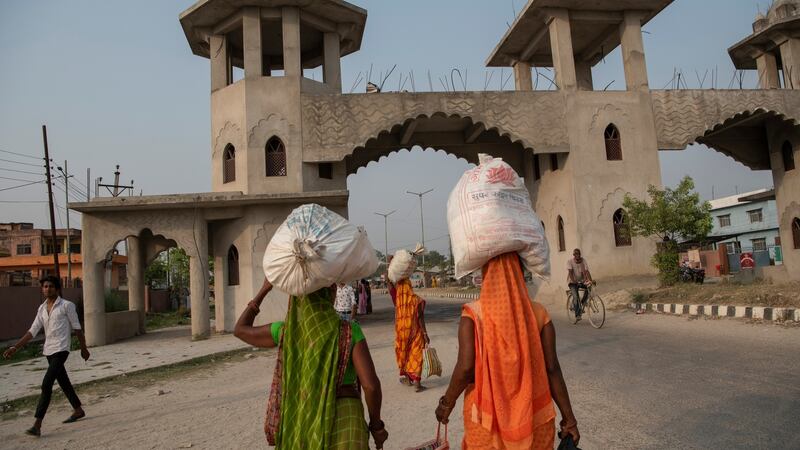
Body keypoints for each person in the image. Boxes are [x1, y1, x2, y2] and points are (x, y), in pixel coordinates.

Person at [435, 253, 580, 449]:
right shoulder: (539, 313)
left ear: (486, 275)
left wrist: (446, 403)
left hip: (486, 423)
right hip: (534, 419)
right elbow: (552, 368)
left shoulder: (473, 315)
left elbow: (466, 367)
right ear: (520, 274)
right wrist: (569, 419)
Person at [234, 279, 388, 450]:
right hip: (346, 419)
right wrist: (377, 426)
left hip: (302, 419)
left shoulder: (286, 332)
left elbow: (240, 329)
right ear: (332, 293)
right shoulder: (350, 330)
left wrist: (264, 289)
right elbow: (371, 386)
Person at [2, 276, 90, 437]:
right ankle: (78, 410)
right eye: (45, 286)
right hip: (48, 350)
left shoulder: (67, 306)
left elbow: (77, 328)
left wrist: (84, 348)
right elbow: (32, 331)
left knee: (46, 384)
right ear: (42, 289)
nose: (47, 289)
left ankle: (37, 424)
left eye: (50, 286)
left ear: (57, 289)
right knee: (64, 382)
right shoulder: (41, 309)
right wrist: (15, 347)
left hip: (62, 349)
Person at [393, 277, 430, 392]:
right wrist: (425, 333)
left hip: (402, 334)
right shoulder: (416, 300)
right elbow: (420, 318)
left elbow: (390, 286)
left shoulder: (397, 300)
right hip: (416, 332)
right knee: (416, 356)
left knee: (406, 354)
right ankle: (417, 383)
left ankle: (408, 379)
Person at [567, 248, 593, 321]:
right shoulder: (570, 262)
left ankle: (583, 302)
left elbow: (587, 271)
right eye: (575, 254)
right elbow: (570, 273)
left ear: (580, 255)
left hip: (581, 281)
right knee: (576, 296)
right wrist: (574, 281)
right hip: (572, 282)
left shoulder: (583, 261)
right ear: (573, 255)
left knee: (589, 287)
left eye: (578, 254)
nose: (577, 255)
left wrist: (591, 280)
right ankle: (577, 314)